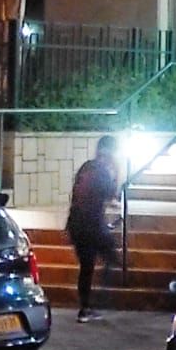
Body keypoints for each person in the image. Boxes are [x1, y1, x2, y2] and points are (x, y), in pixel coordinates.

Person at [65, 134, 120, 322]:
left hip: (77, 223)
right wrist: (116, 170)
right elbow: (112, 194)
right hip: (90, 226)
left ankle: (87, 305)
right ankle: (93, 303)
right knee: (108, 258)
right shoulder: (103, 171)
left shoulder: (87, 167)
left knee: (87, 266)